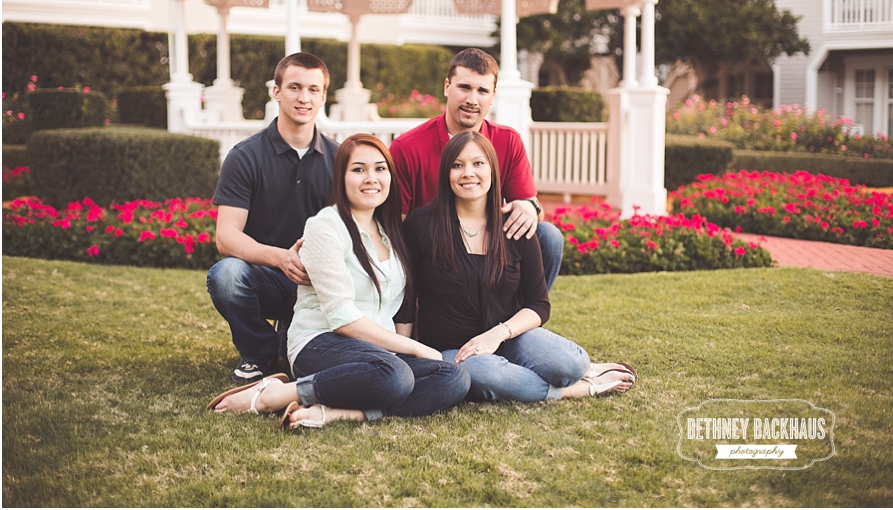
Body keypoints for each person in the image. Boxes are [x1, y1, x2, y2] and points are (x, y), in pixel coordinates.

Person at [208, 134, 469, 428]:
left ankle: (343, 413)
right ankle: (275, 395)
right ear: (341, 178)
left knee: (453, 377)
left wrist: (403, 350)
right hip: (321, 342)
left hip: (378, 355)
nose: (371, 178)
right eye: (358, 169)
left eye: (380, 169)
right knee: (395, 375)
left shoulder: (391, 230)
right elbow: (342, 318)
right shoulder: (325, 227)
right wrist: (415, 348)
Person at [403, 131, 635, 403]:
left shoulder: (515, 225)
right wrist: (405, 356)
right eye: (457, 165)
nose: (468, 173)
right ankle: (579, 389)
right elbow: (407, 301)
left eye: (478, 164)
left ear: (492, 171)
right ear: (446, 173)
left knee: (571, 364)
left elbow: (538, 304)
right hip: (455, 351)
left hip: (507, 337)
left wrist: (498, 334)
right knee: (486, 375)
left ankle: (585, 372)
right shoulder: (421, 225)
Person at [207, 52, 338, 384]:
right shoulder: (244, 157)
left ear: (323, 96)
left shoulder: (341, 158)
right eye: (294, 87)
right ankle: (260, 353)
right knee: (226, 276)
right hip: (268, 277)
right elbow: (226, 236)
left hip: (322, 280)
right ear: (276, 92)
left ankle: (289, 336)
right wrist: (280, 258)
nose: (304, 97)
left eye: (313, 89)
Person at [390, 48, 565, 290]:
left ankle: (520, 318)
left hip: (488, 246)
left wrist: (529, 206)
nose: (472, 100)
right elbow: (394, 229)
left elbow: (532, 208)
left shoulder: (508, 141)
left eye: (482, 91)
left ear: (493, 96)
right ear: (447, 87)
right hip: (432, 255)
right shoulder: (407, 147)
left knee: (549, 237)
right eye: (464, 87)